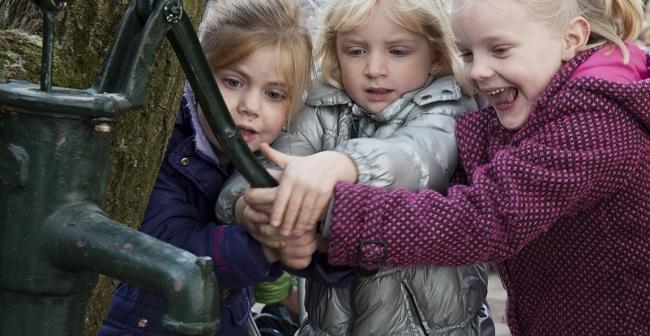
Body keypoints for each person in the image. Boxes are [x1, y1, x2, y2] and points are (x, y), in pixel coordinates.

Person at [254, 0, 649, 335]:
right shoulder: (534, 106)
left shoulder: (594, 124)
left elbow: (482, 220)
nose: (477, 72)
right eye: (468, 53)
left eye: (500, 49)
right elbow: (452, 174)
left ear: (571, 38)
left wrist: (333, 211)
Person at [216, 0, 493, 335]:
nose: (374, 68)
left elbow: (416, 159)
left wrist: (343, 164)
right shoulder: (319, 109)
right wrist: (250, 207)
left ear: (434, 54)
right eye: (356, 51)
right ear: (334, 51)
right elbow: (260, 169)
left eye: (398, 51)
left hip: (435, 328)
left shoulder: (450, 107)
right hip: (330, 325)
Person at [96, 0, 313, 335]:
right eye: (232, 82)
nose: (250, 107)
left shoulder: (271, 154)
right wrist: (266, 246)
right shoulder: (163, 144)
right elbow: (174, 252)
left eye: (273, 94)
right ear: (196, 75)